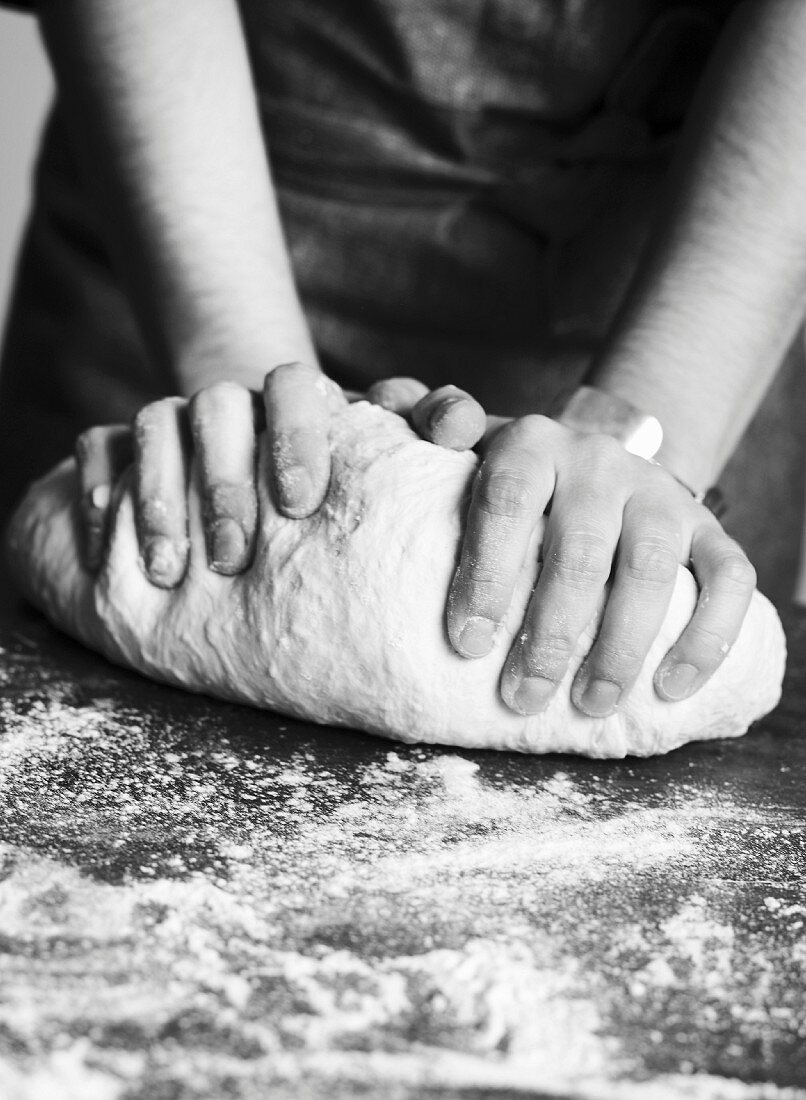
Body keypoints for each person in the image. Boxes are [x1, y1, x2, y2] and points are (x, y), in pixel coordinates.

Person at [1, 0, 804, 720]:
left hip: (714, 241)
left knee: (642, 608)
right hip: (195, 186)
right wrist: (240, 367)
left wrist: (645, 434)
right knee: (141, 531)